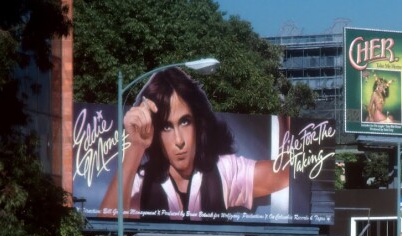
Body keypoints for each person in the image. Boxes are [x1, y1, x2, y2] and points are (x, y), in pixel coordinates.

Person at [99, 67, 290, 221]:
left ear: (198, 123)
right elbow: (107, 221)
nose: (179, 141)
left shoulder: (223, 170)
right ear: (156, 132)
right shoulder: (142, 181)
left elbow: (284, 174)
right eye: (166, 127)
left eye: (185, 122)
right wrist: (135, 147)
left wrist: (286, 118)